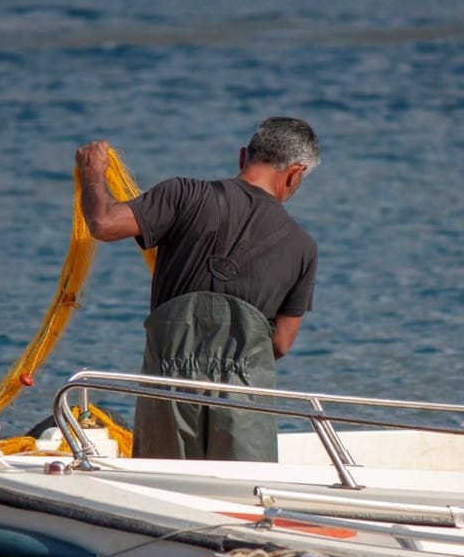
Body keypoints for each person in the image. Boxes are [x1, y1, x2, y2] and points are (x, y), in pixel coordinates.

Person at [75, 117, 319, 461]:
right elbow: (280, 342)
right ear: (295, 174)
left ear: (242, 157)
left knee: (161, 489)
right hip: (244, 392)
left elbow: (103, 222)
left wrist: (93, 172)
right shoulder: (302, 246)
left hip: (169, 383)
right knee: (243, 497)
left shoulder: (183, 194)